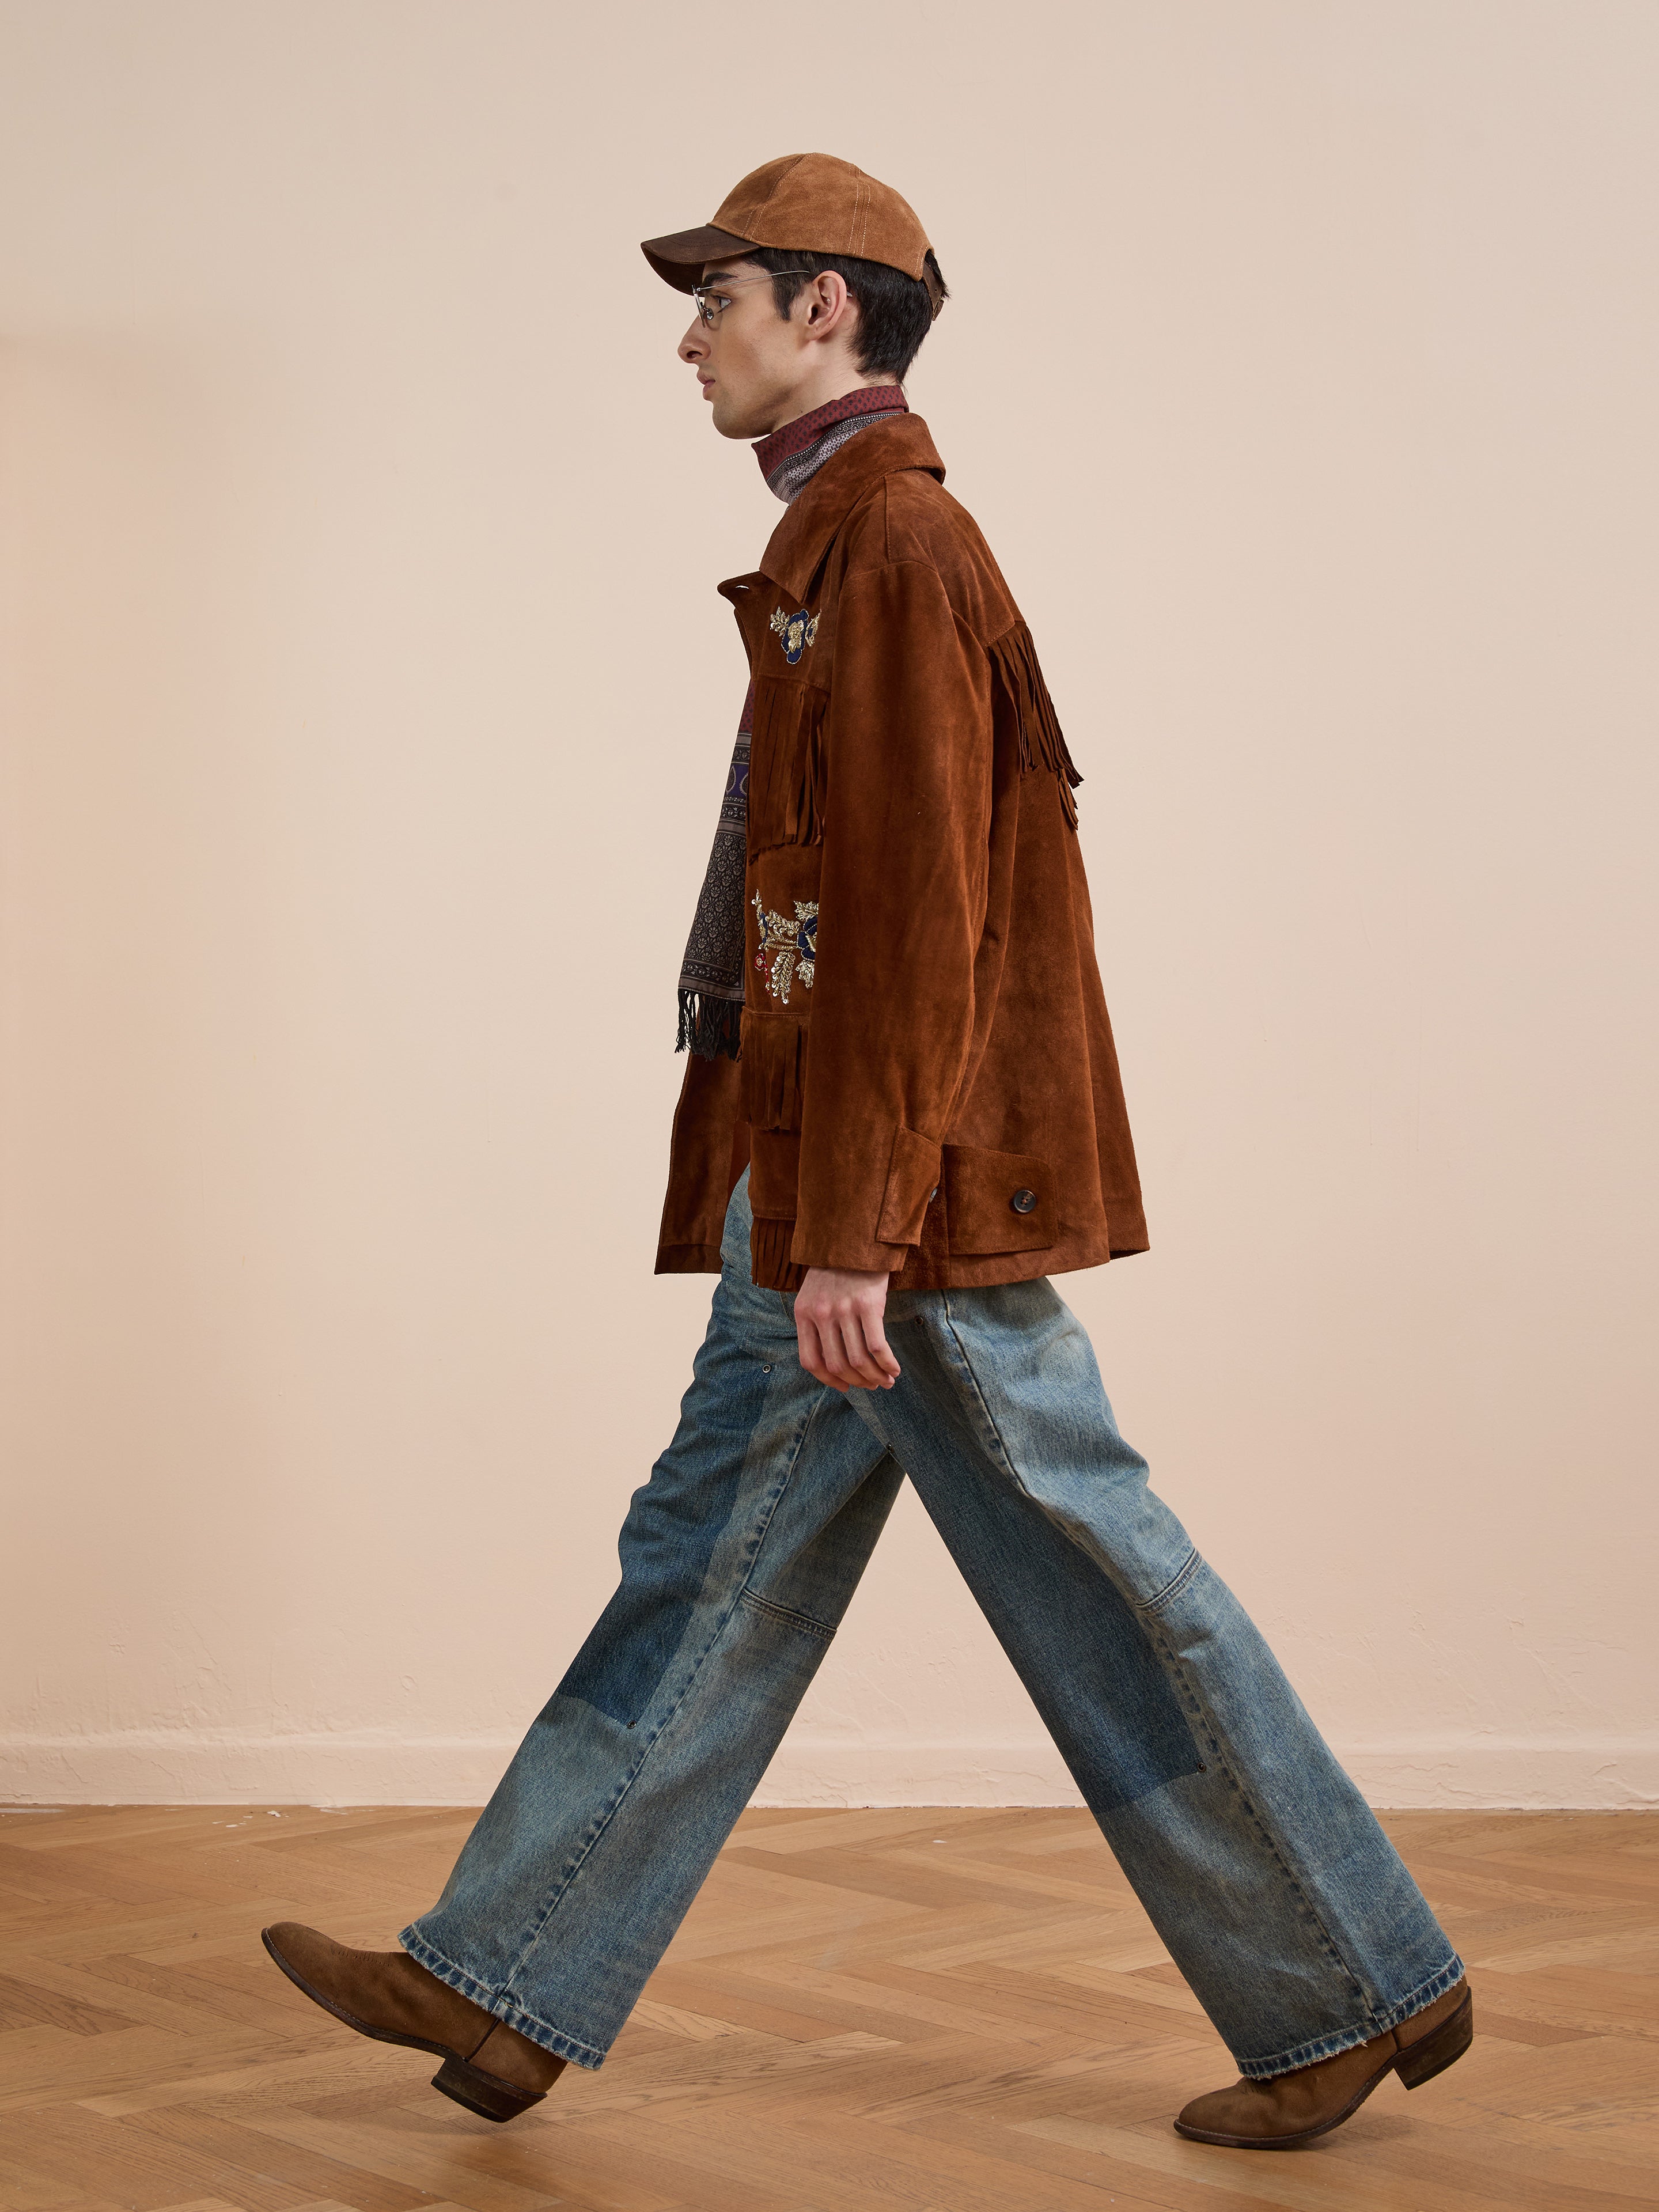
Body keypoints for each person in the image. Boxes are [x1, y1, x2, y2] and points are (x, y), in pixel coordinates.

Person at [262, 153, 1472, 2147]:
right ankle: (505, 1975)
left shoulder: (896, 546)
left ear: (823, 309)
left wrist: (858, 1227)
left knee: (1089, 1552)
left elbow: (920, 918)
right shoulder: (841, 539)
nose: (691, 341)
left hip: (885, 1197)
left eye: (717, 300)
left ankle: (1349, 1986)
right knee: (709, 1556)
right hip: (820, 1166)